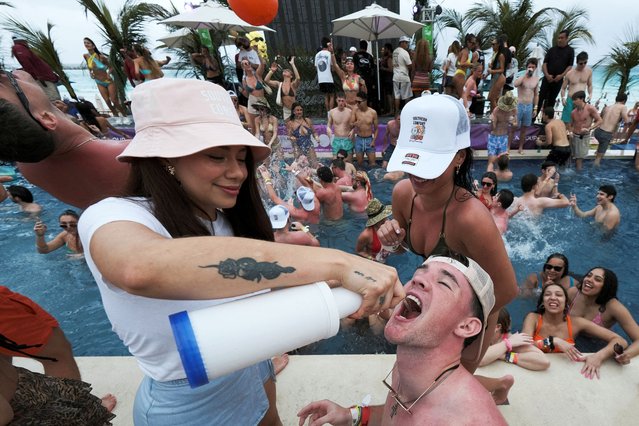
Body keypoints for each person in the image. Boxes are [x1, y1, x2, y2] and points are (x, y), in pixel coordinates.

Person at [77, 79, 403, 424]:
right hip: (187, 408)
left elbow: (266, 286)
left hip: (253, 370)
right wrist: (341, 264)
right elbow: (138, 268)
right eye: (217, 156)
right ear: (163, 160)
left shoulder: (228, 218)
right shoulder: (113, 215)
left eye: (242, 157)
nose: (237, 172)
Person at [378, 94, 518, 373]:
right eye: (412, 161)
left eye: (428, 163)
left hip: (472, 313)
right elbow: (406, 246)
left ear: (459, 157)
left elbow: (506, 291)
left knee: (450, 380)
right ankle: (499, 387)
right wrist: (392, 240)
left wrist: (454, 323)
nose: (417, 174)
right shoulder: (403, 194)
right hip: (439, 295)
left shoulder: (471, 219)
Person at [297, 255, 507, 425]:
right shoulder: (409, 368)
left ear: (466, 326)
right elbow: (396, 415)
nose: (417, 280)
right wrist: (351, 415)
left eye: (443, 283)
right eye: (420, 273)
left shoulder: (472, 420)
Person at [0, 69, 131, 209]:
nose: (9, 73)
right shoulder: (127, 154)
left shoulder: (29, 168)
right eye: (5, 78)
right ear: (47, 118)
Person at [522, 283, 626, 379]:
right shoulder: (533, 318)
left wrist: (598, 356)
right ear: (543, 302)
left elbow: (620, 340)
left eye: (558, 295)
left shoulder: (577, 323)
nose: (553, 298)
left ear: (566, 303)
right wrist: (553, 341)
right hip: (535, 370)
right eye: (547, 294)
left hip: (565, 375)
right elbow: (523, 347)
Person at [568, 267, 639, 362]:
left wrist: (627, 354)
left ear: (606, 286)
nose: (589, 280)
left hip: (595, 343)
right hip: (571, 336)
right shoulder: (573, 293)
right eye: (589, 275)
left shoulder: (614, 307)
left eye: (597, 279)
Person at [480, 308, 550, 370]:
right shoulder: (480, 338)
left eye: (483, 322)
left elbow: (544, 362)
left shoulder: (514, 340)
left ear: (497, 327)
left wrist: (506, 355)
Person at [535, 30, 574, 121]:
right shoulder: (552, 50)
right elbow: (544, 63)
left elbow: (570, 66)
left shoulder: (570, 51)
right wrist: (547, 75)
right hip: (547, 78)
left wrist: (561, 76)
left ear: (567, 38)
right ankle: (533, 119)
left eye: (562, 38)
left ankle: (545, 122)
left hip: (558, 80)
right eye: (558, 38)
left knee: (551, 101)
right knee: (540, 99)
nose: (559, 40)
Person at [82, 37, 126, 117]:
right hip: (98, 81)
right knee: (107, 101)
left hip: (108, 81)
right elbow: (89, 66)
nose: (86, 44)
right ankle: (116, 116)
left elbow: (111, 67)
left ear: (93, 46)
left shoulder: (101, 57)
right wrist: (90, 72)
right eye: (85, 43)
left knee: (114, 101)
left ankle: (125, 115)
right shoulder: (85, 56)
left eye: (88, 43)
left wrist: (109, 74)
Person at [11, 35, 60, 101]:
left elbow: (28, 63)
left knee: (54, 100)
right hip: (43, 79)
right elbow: (26, 62)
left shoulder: (23, 48)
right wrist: (37, 76)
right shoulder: (19, 47)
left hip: (45, 78)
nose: (27, 41)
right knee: (54, 100)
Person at [569, 90, 603, 170]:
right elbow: (571, 125)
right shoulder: (573, 112)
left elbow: (600, 120)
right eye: (573, 100)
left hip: (583, 137)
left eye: (575, 100)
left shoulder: (590, 108)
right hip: (574, 136)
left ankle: (578, 177)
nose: (573, 102)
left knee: (579, 159)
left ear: (582, 99)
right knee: (571, 156)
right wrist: (570, 132)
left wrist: (589, 128)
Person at [594, 93, 629, 166]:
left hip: (597, 131)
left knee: (600, 148)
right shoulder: (623, 107)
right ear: (624, 100)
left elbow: (599, 119)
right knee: (599, 158)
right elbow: (626, 120)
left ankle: (597, 152)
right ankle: (593, 171)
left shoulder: (608, 107)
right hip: (606, 134)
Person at [514, 58, 540, 153]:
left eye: (533, 67)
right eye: (529, 66)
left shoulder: (536, 79)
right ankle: (508, 147)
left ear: (535, 68)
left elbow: (536, 94)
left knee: (524, 129)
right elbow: (515, 84)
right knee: (514, 126)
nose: (531, 68)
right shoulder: (522, 77)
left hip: (529, 106)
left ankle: (520, 148)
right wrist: (525, 74)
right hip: (519, 104)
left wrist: (535, 108)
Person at [356, 198, 393, 262]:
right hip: (372, 263)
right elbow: (359, 251)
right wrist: (372, 259)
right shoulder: (366, 235)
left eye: (384, 217)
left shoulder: (388, 224)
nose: (385, 220)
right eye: (380, 219)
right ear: (375, 221)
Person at [560, 51, 592, 124]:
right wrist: (563, 98)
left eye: (585, 62)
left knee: (579, 121)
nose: (583, 65)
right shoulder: (570, 73)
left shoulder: (589, 71)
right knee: (566, 121)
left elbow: (589, 85)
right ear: (577, 62)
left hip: (581, 101)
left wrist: (590, 94)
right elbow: (563, 88)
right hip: (570, 100)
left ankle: (575, 135)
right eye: (581, 63)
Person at [487, 92, 517, 170]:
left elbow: (515, 126)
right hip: (494, 137)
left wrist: (513, 123)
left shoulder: (513, 110)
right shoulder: (496, 110)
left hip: (504, 138)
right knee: (491, 162)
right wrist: (492, 122)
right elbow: (492, 128)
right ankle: (487, 179)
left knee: (502, 164)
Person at [265, 56, 301, 120]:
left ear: (291, 76)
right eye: (284, 70)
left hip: (295, 109)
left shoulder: (293, 85)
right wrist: (271, 71)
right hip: (286, 110)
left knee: (297, 127)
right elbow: (266, 81)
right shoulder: (279, 84)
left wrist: (292, 64)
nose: (285, 70)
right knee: (289, 128)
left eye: (287, 71)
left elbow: (298, 78)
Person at [239, 56, 268, 133]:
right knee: (254, 127)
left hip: (262, 101)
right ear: (243, 67)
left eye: (248, 63)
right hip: (252, 101)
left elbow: (262, 64)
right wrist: (242, 91)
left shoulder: (257, 74)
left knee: (266, 126)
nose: (248, 64)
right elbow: (246, 95)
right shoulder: (244, 80)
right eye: (245, 64)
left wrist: (257, 53)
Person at [351, 91, 378, 168]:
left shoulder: (373, 112)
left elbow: (376, 129)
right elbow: (350, 125)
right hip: (359, 139)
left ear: (365, 101)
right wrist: (354, 124)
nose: (357, 104)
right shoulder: (355, 111)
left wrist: (373, 141)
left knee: (372, 164)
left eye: (359, 102)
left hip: (369, 139)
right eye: (356, 101)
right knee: (359, 164)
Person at [327, 93, 354, 160]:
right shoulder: (332, 112)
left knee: (348, 162)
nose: (341, 103)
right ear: (336, 100)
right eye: (339, 101)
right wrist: (328, 129)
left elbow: (354, 125)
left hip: (347, 139)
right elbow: (329, 124)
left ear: (345, 101)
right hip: (337, 139)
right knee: (335, 162)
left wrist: (352, 131)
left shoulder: (350, 112)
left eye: (342, 101)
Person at [352, 40, 376, 110]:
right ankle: (367, 108)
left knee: (358, 94)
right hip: (368, 79)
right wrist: (373, 81)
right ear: (366, 47)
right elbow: (372, 69)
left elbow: (354, 68)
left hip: (358, 78)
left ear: (360, 46)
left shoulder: (355, 56)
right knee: (367, 95)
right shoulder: (370, 56)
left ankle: (359, 109)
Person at [392, 36, 412, 112]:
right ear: (402, 43)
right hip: (404, 76)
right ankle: (407, 112)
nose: (407, 45)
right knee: (407, 96)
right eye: (406, 43)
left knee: (397, 96)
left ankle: (396, 112)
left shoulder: (395, 51)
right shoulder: (404, 52)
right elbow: (410, 66)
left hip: (395, 76)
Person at [452, 34, 476, 100]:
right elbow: (462, 63)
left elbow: (456, 64)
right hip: (460, 75)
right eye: (473, 43)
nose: (474, 45)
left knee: (457, 98)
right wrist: (472, 65)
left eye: (475, 43)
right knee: (463, 98)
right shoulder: (465, 52)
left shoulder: (463, 51)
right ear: (468, 42)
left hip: (457, 74)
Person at [315, 37, 336, 113]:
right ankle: (331, 113)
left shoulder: (317, 55)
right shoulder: (329, 54)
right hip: (329, 78)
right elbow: (333, 68)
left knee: (326, 96)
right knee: (332, 95)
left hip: (321, 79)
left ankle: (328, 113)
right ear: (328, 44)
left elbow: (316, 67)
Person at [487, 36, 507, 111]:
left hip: (499, 77)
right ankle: (494, 114)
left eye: (493, 44)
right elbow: (494, 68)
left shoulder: (501, 55)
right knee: (493, 98)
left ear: (498, 45)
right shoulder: (495, 54)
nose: (492, 46)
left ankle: (496, 115)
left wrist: (492, 71)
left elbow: (502, 69)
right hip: (495, 77)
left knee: (493, 98)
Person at [379, 43, 394, 115]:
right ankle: (388, 109)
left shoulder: (389, 58)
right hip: (386, 78)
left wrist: (383, 68)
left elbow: (391, 69)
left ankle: (391, 110)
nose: (383, 50)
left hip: (389, 78)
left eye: (385, 49)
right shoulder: (386, 57)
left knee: (389, 94)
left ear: (388, 49)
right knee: (387, 94)